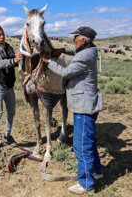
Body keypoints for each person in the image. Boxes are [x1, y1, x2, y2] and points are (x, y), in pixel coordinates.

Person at [41, 26, 103, 195]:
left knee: (81, 145)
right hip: (87, 103)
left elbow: (66, 72)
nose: (73, 40)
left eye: (75, 38)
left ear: (83, 40)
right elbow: (75, 51)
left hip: (84, 106)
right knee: (88, 142)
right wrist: (62, 50)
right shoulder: (90, 49)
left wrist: (49, 62)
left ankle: (86, 184)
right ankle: (96, 172)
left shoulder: (84, 56)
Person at [0, 24, 23, 146]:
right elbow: (0, 63)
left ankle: (7, 136)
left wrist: (19, 59)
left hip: (10, 86)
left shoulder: (9, 48)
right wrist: (14, 60)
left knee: (11, 112)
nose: (2, 36)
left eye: (3, 34)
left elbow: (14, 62)